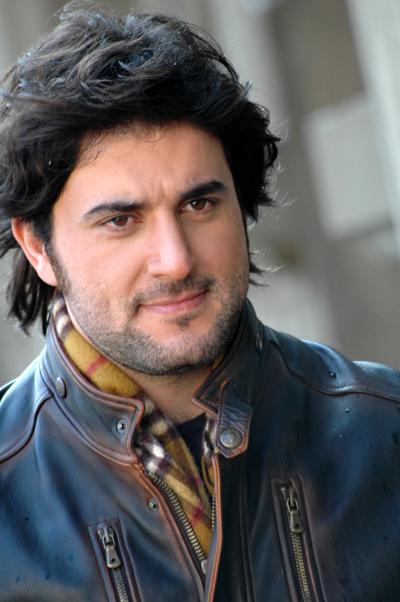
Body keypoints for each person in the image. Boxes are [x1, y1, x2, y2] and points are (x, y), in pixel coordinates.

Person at [0, 4, 399, 601]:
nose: (176, 259)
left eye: (199, 205)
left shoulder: (386, 429)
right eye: (121, 220)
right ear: (38, 247)